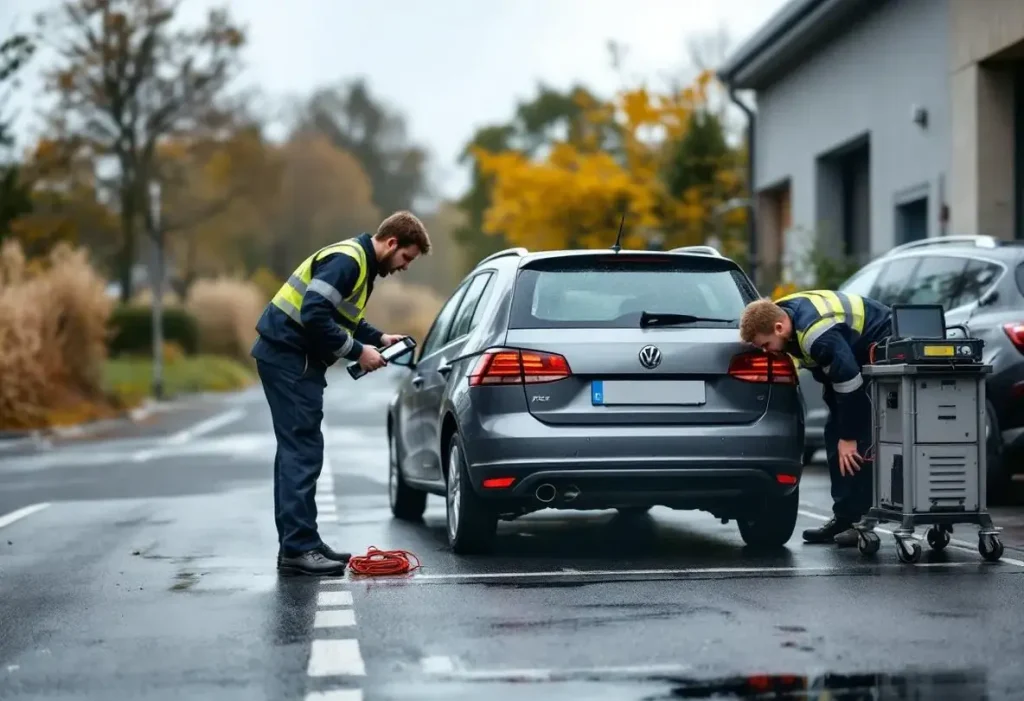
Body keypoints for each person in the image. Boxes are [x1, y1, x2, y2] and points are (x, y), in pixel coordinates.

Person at [251, 211, 431, 576]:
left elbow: (340, 315)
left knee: (296, 452)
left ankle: (301, 543)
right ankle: (299, 549)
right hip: (290, 358)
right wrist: (357, 352)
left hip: (289, 358)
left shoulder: (359, 262)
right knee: (302, 451)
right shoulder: (348, 262)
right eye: (406, 258)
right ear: (392, 243)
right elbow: (314, 313)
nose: (405, 267)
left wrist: (378, 339)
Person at [738, 289, 891, 547]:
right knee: (834, 432)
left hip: (881, 344)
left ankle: (860, 522)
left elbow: (849, 382)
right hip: (853, 356)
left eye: (765, 345)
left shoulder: (816, 335)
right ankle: (846, 518)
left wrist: (849, 438)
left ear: (778, 327)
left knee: (858, 441)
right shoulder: (781, 317)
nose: (767, 352)